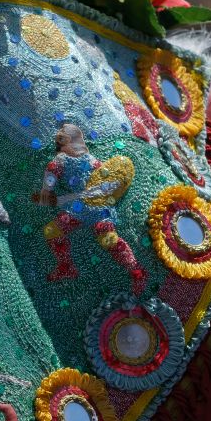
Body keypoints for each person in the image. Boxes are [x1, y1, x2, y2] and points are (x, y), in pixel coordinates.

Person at [33, 123, 146, 294]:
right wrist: (46, 191)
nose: (61, 145)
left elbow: (52, 174)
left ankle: (136, 270)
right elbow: (52, 174)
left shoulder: (72, 159)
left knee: (106, 237)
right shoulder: (73, 159)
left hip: (91, 206)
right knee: (54, 230)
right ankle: (66, 266)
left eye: (63, 140)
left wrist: (46, 191)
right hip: (82, 208)